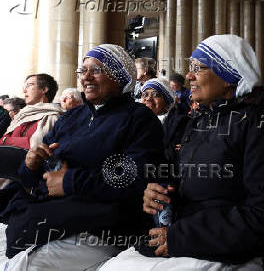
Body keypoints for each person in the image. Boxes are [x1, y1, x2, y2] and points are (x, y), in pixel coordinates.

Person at [100, 34, 264, 270]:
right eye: (190, 68)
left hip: (228, 251)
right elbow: (187, 185)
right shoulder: (198, 122)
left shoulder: (259, 126)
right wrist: (157, 194)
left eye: (198, 68)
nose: (189, 76)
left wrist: (181, 237)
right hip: (184, 240)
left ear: (229, 76)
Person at [0, 44, 165, 270]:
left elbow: (135, 181)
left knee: (26, 267)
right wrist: (31, 166)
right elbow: (35, 179)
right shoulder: (72, 118)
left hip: (103, 228)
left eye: (96, 70)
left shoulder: (139, 119)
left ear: (119, 76)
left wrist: (69, 182)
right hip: (51, 215)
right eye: (83, 70)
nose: (86, 77)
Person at [1, 74, 63, 150]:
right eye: (25, 86)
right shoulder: (21, 116)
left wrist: (7, 141)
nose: (24, 91)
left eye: (29, 85)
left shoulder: (55, 117)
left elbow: (38, 147)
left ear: (44, 89)